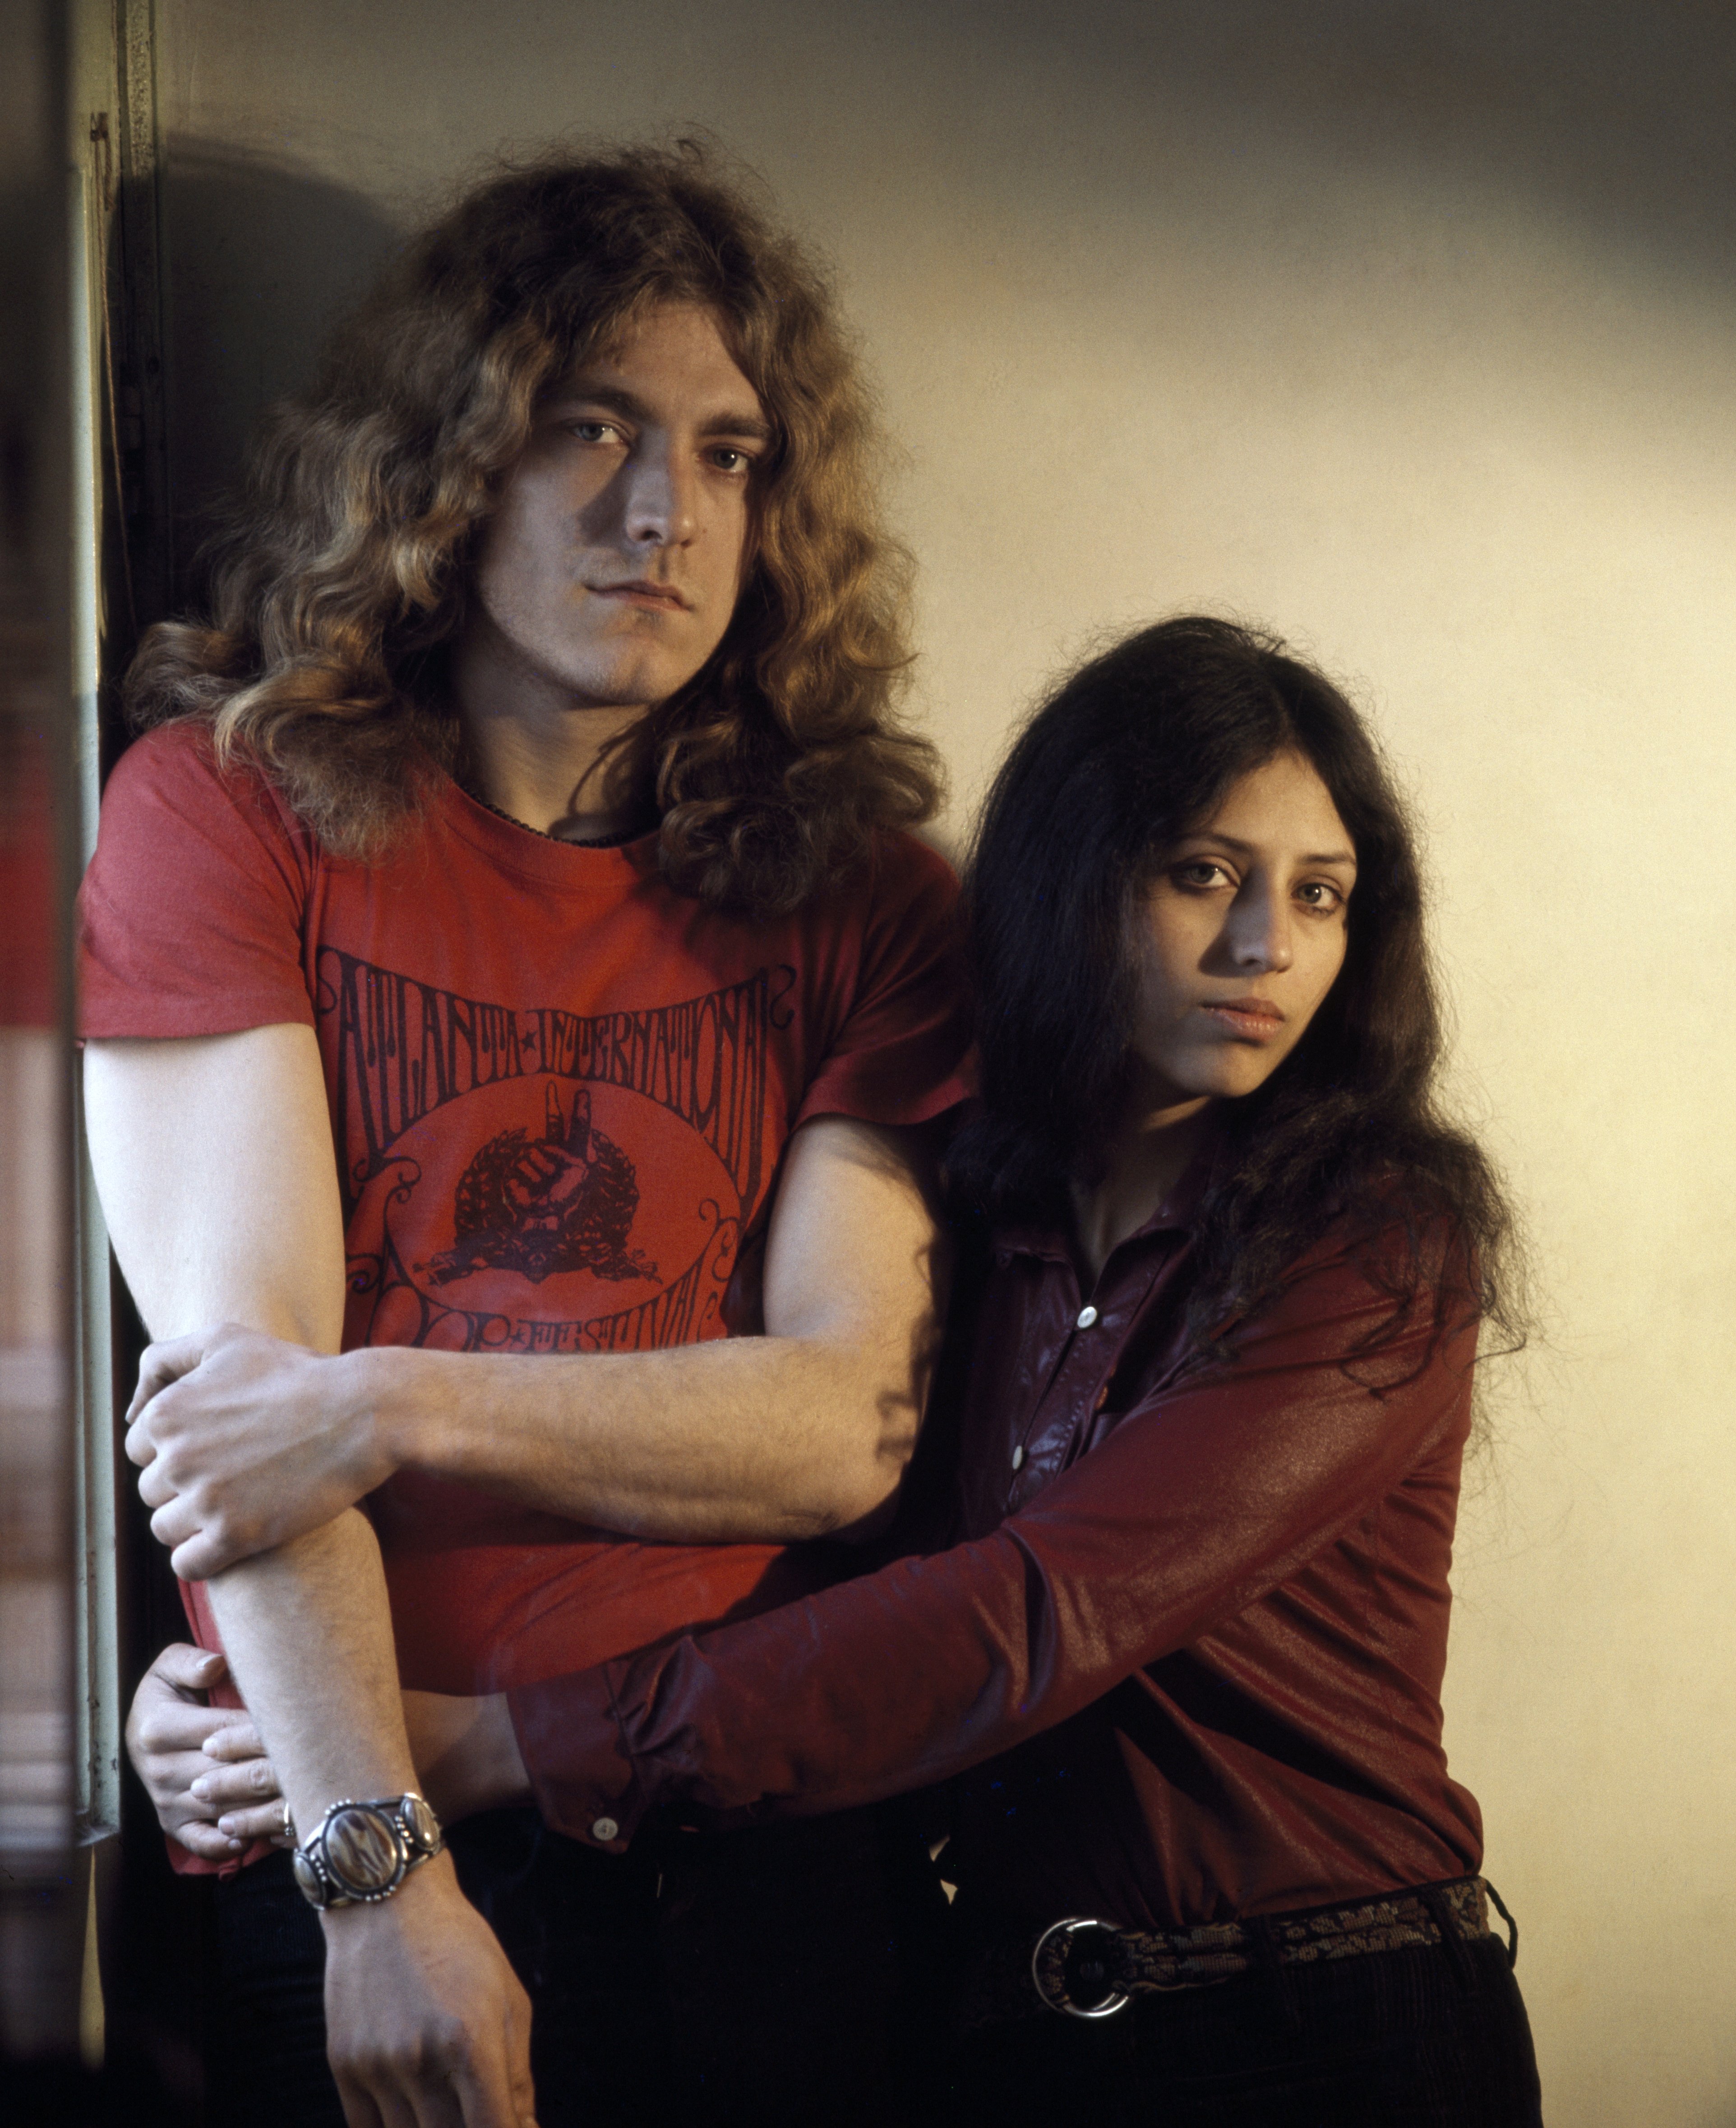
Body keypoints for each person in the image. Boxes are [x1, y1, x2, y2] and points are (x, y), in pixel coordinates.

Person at [242, 613, 1538, 2123]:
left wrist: (495, 1740)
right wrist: (267, 1705)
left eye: (1319, 895)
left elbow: (1032, 1616)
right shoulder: (977, 1225)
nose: (1269, 946)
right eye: (1206, 874)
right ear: (1075, 881)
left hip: (1326, 2026)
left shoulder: (1373, 1238)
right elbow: (820, 1579)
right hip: (1003, 2032)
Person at [80, 144, 971, 2127]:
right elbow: (239, 1407)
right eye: (596, 428)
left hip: (742, 1839)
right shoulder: (220, 815)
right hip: (339, 1823)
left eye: (732, 455)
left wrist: (390, 1403)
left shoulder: (874, 895)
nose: (667, 512)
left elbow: (840, 1427)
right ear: (443, 462)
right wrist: (375, 1874)